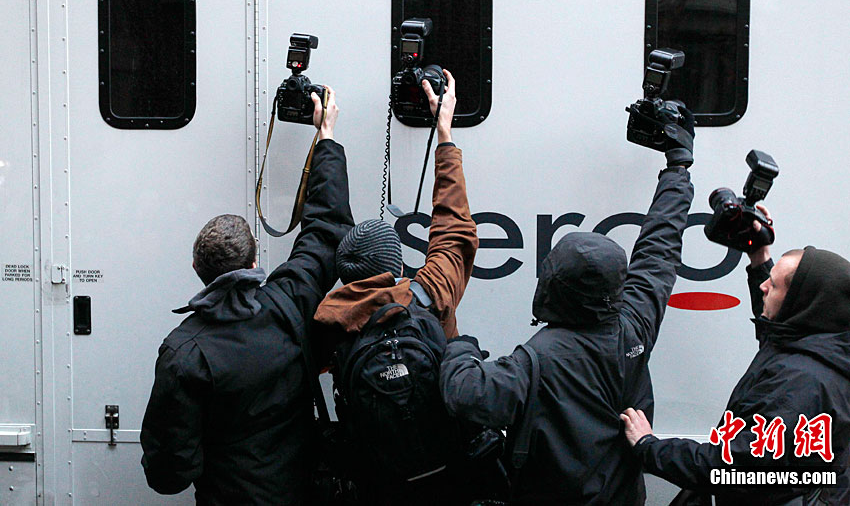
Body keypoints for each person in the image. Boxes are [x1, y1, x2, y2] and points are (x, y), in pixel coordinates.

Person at [439, 108, 697, 504]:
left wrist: (461, 348)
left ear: (553, 284)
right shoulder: (633, 323)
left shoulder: (537, 358)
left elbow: (466, 394)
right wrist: (678, 168)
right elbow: (659, 249)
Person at [140, 88, 354, 505]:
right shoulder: (288, 304)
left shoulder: (184, 353)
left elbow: (169, 475)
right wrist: (325, 136)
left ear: (197, 269)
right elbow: (326, 230)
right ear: (254, 260)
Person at [312, 69, 479, 505]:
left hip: (377, 483)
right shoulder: (430, 293)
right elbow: (454, 228)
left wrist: (324, 138)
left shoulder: (326, 324)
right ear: (396, 265)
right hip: (447, 475)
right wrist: (444, 134)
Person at [622, 208, 850, 505]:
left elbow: (730, 467)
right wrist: (759, 258)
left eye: (774, 285)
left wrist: (648, 447)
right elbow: (777, 335)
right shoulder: (824, 343)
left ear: (801, 303)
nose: (764, 286)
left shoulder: (800, 386)